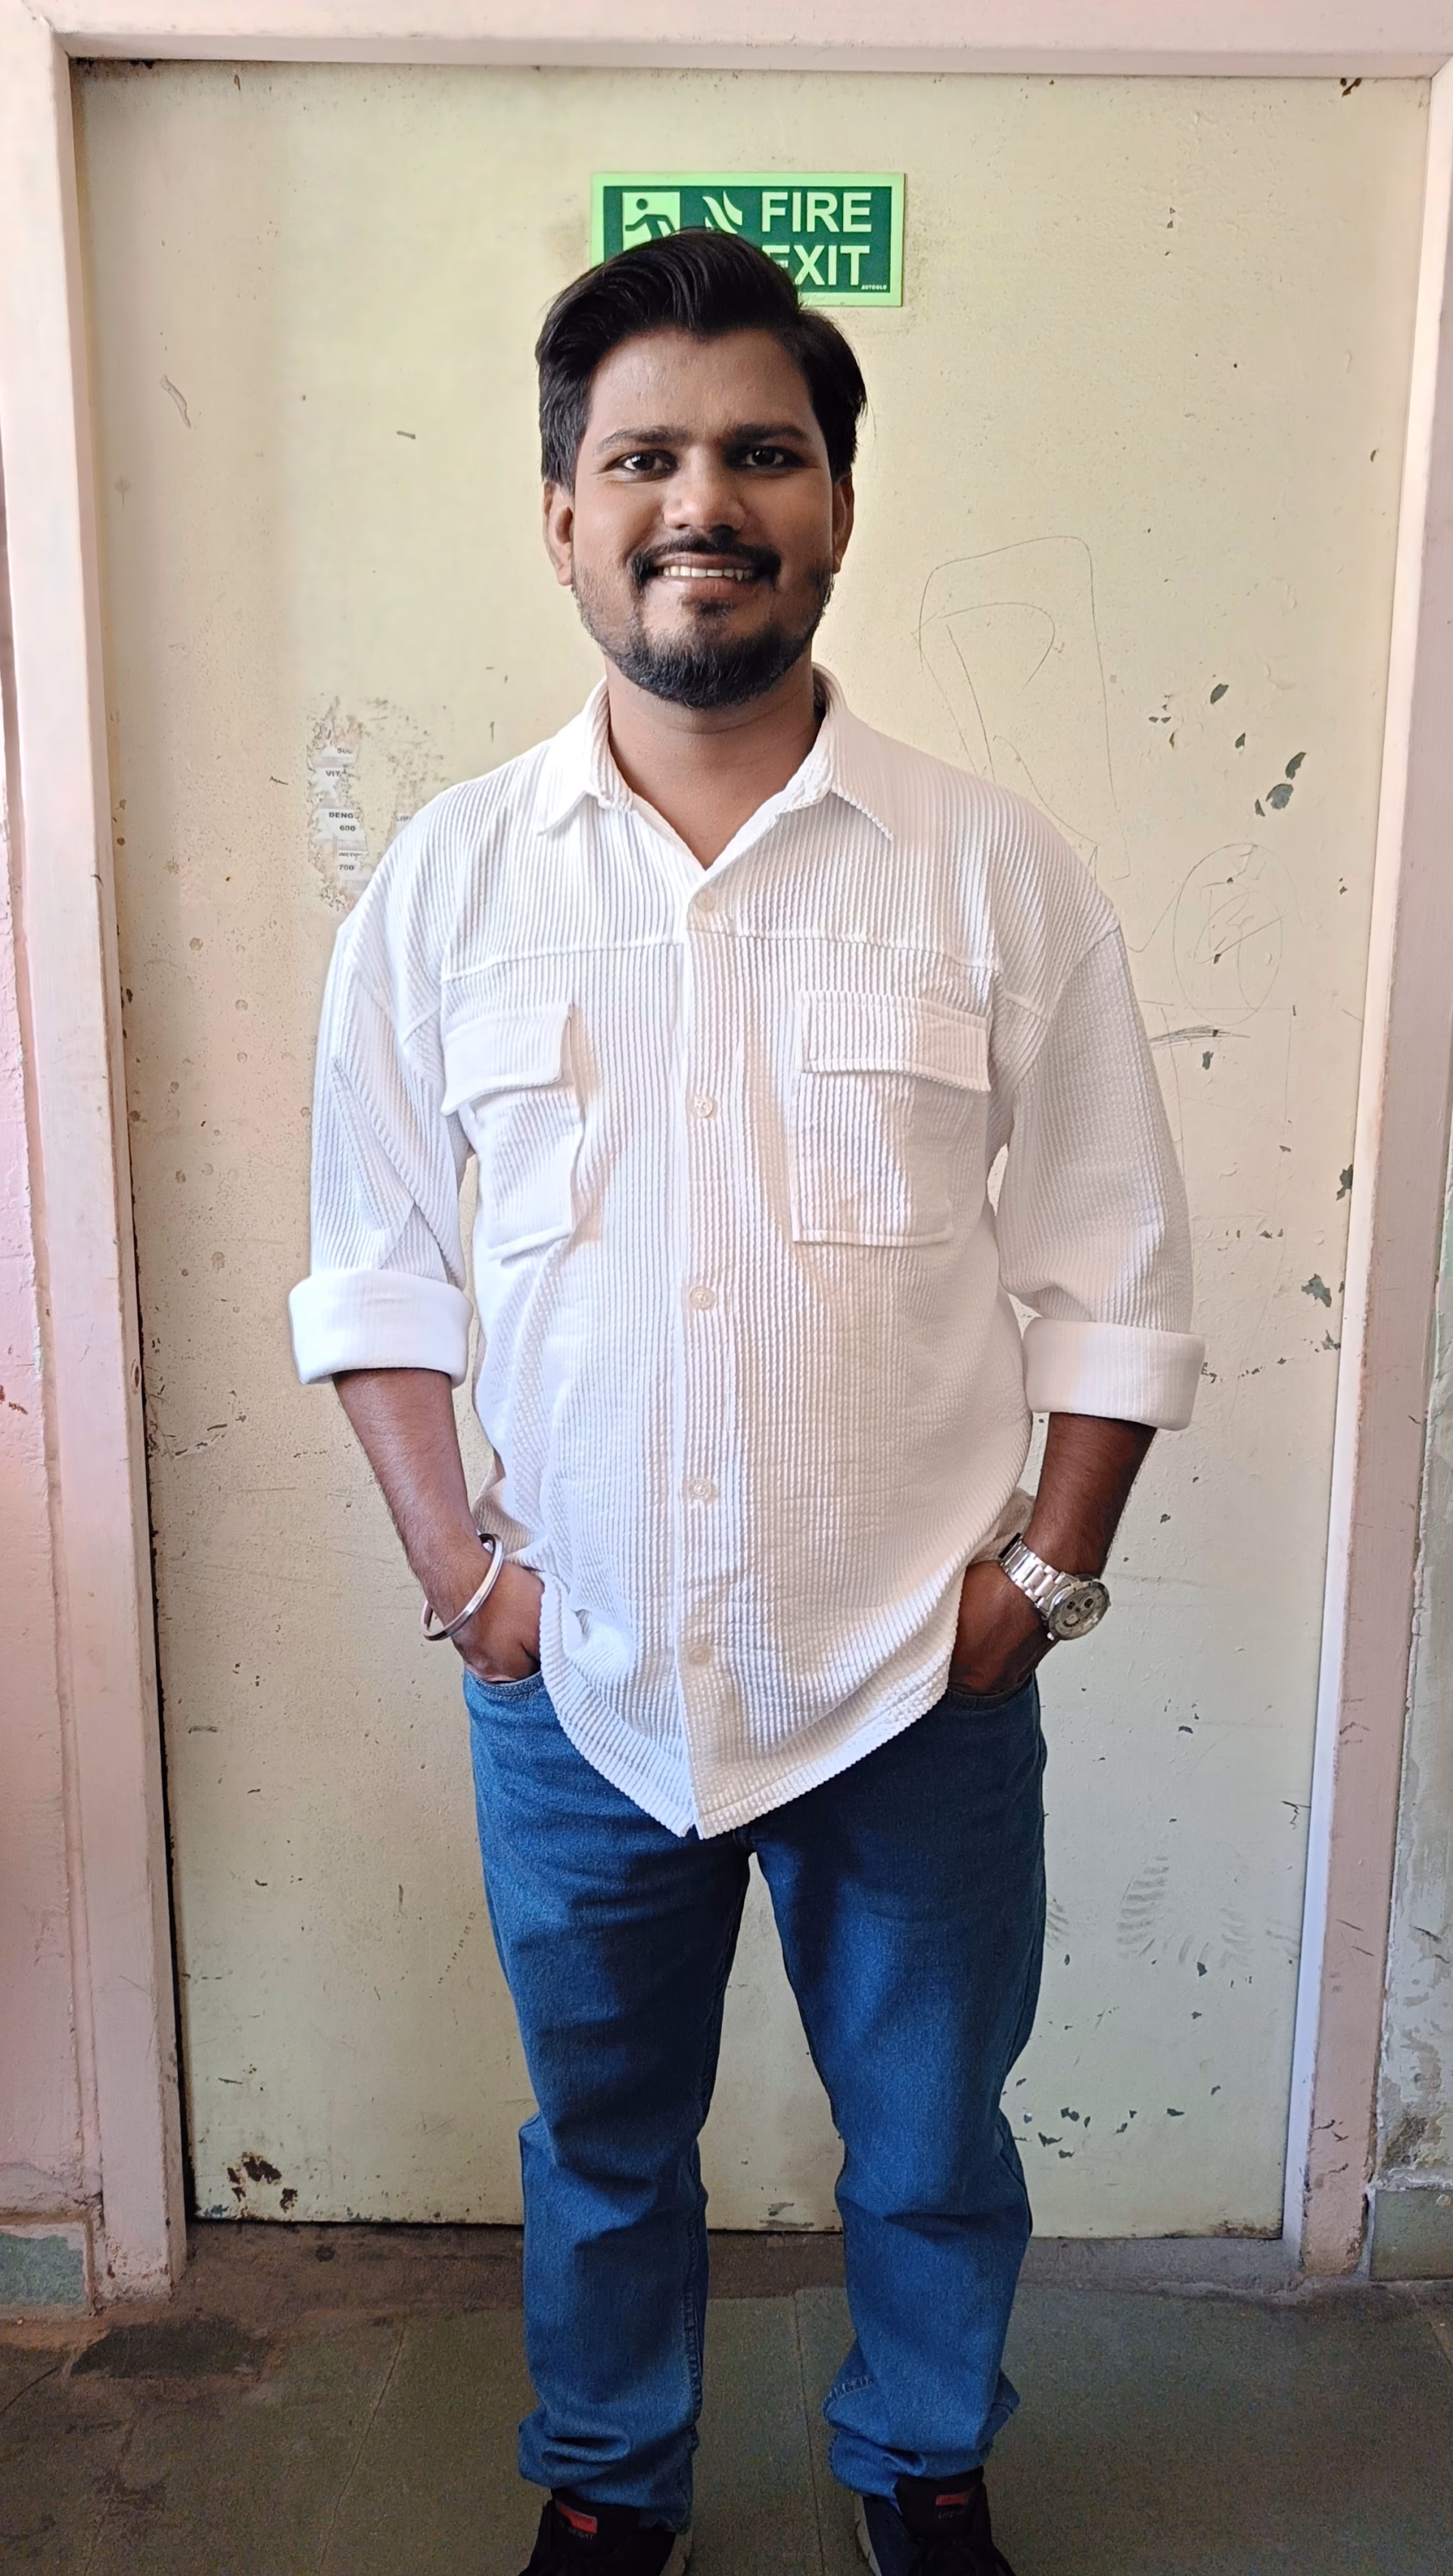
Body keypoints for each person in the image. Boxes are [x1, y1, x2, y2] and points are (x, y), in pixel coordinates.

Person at [289, 229, 1202, 2576]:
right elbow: (375, 1267)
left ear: (837, 506)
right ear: (564, 516)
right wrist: (468, 1580)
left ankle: (923, 2463)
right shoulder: (447, 887)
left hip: (915, 1678)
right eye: (644, 459)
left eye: (761, 453)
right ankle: (612, 2485)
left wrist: (1036, 1585)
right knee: (603, 2143)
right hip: (575, 1672)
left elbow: (1114, 1265)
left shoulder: (992, 875)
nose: (703, 500)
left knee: (932, 2144)